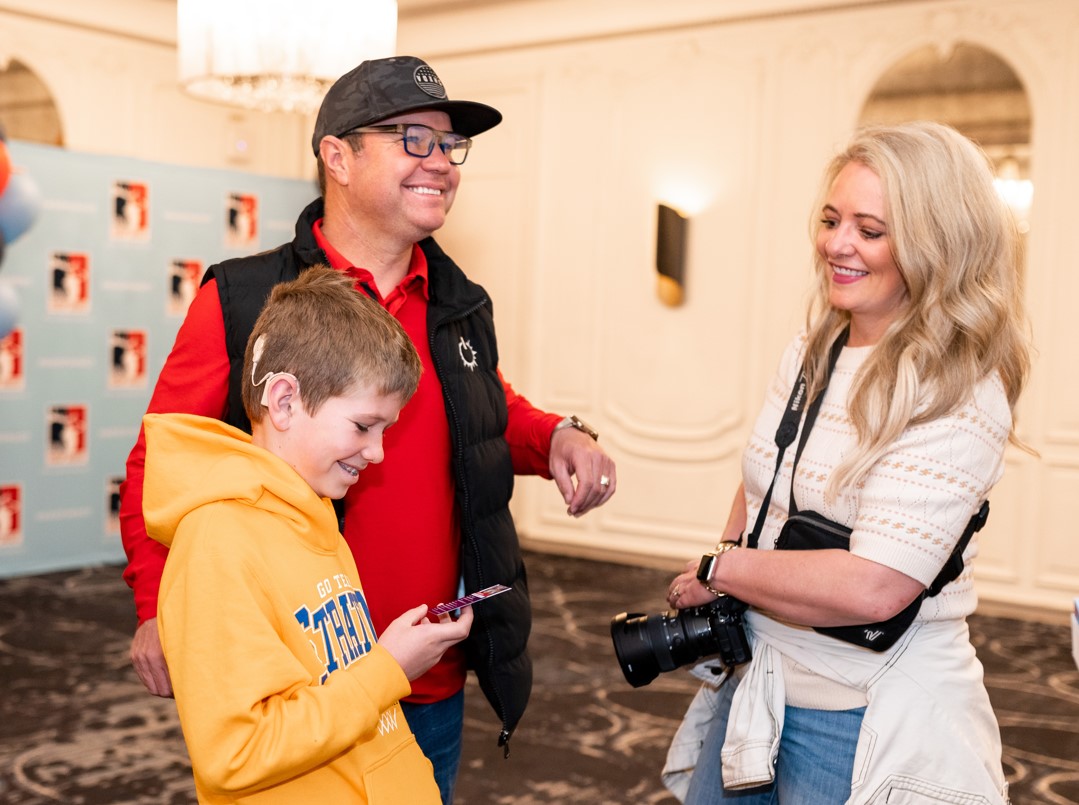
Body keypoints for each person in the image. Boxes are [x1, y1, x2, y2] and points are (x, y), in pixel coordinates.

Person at [119, 55, 617, 803]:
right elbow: (161, 460)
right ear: (336, 155)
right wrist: (157, 607)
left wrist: (554, 437)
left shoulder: (459, 299)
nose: (441, 163)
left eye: (450, 146)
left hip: (428, 676)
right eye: (413, 138)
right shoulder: (245, 296)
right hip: (300, 679)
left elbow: (482, 409)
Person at [661, 121, 1030, 804]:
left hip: (858, 709)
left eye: (870, 229)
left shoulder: (957, 387)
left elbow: (874, 587)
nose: (837, 244)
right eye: (831, 220)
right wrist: (730, 557)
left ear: (933, 244)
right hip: (762, 678)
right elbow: (760, 480)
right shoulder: (815, 346)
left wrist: (724, 570)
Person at [143, 266, 470, 803]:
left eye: (385, 430)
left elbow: (330, 687)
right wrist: (388, 669)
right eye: (364, 426)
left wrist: (387, 656)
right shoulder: (218, 541)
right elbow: (238, 752)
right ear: (285, 400)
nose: (377, 452)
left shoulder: (316, 514)